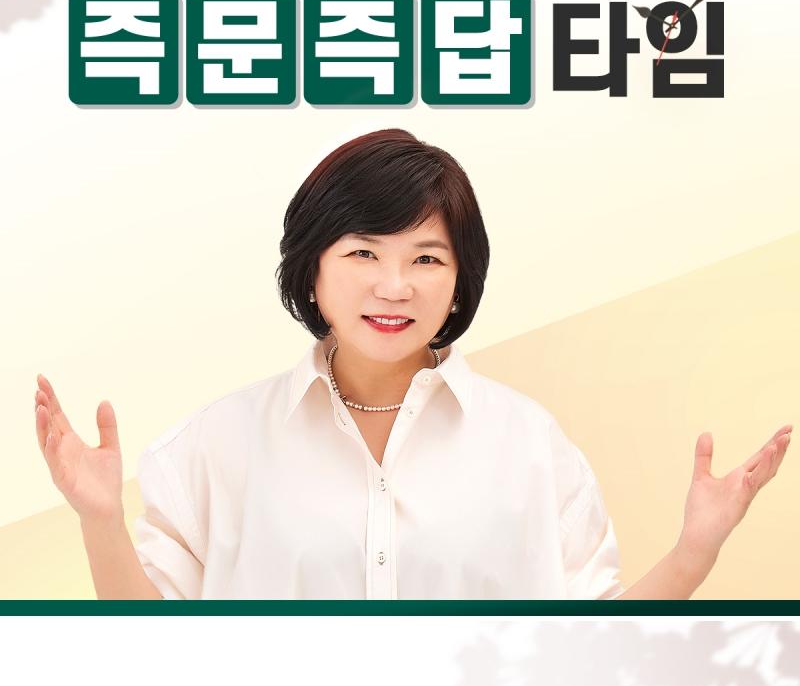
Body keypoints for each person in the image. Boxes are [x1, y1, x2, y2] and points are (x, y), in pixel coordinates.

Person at [33, 121, 791, 596]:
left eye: (427, 258)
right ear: (312, 271)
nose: (394, 287)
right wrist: (99, 520)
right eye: (363, 252)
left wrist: (694, 551)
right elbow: (157, 649)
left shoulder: (530, 445)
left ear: (461, 279)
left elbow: (591, 651)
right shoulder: (218, 443)